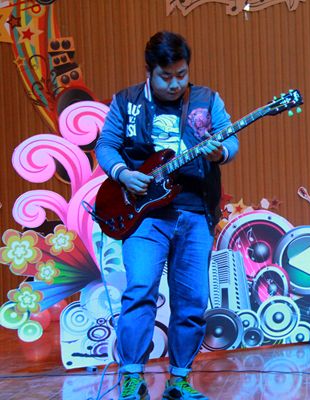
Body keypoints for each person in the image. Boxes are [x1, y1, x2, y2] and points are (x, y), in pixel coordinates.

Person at [95, 31, 239, 400]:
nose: (175, 84)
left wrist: (220, 152)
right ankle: (132, 376)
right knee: (140, 291)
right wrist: (122, 174)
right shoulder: (126, 101)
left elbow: (230, 140)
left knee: (192, 301)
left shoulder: (207, 100)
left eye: (181, 74)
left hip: (195, 212)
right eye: (166, 76)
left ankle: (180, 380)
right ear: (149, 72)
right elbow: (106, 144)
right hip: (144, 215)